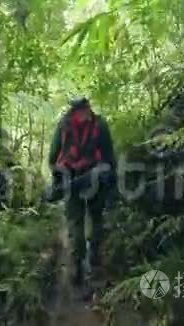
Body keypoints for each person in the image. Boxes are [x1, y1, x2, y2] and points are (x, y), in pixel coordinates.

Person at [47, 97, 117, 290]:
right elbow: (110, 157)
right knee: (95, 219)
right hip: (95, 180)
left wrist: (57, 179)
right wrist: (112, 187)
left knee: (75, 223)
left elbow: (53, 157)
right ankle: (93, 262)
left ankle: (78, 268)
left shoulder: (64, 124)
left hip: (73, 180)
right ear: (87, 107)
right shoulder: (99, 124)